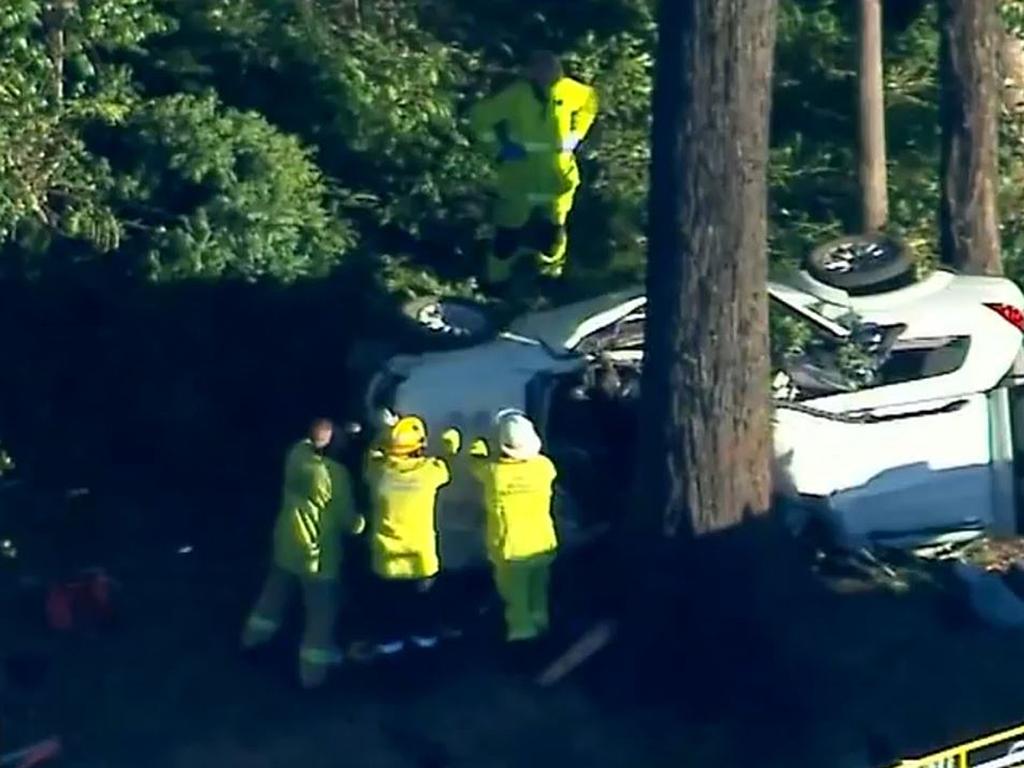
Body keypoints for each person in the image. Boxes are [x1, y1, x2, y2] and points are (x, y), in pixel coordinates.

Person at [241, 418, 365, 689]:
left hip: (286, 544)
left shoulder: (296, 455)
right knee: (320, 615)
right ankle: (312, 675)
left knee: (271, 599)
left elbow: (312, 439)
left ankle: (252, 643)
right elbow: (349, 522)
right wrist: (363, 523)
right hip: (318, 556)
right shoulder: (336, 476)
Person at [468, 50, 599, 288]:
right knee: (507, 233)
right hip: (520, 176)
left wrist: (577, 134)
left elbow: (590, 102)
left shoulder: (570, 90)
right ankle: (496, 281)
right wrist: (497, 148)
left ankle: (551, 275)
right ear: (530, 73)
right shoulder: (516, 96)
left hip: (556, 176)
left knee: (553, 232)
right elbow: (479, 118)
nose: (546, 78)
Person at [366, 414, 461, 655]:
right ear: (420, 447)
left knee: (389, 621)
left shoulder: (379, 472)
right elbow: (448, 459)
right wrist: (452, 439)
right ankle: (422, 670)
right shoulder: (430, 472)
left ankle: (390, 670)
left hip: (386, 561)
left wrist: (386, 431)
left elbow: (373, 452)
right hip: (421, 561)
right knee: (423, 621)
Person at [469, 410, 558, 643]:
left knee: (515, 600)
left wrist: (478, 444)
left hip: (511, 549)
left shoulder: (493, 473)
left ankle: (522, 644)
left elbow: (474, 462)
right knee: (539, 593)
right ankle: (545, 633)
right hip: (542, 543)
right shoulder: (545, 468)